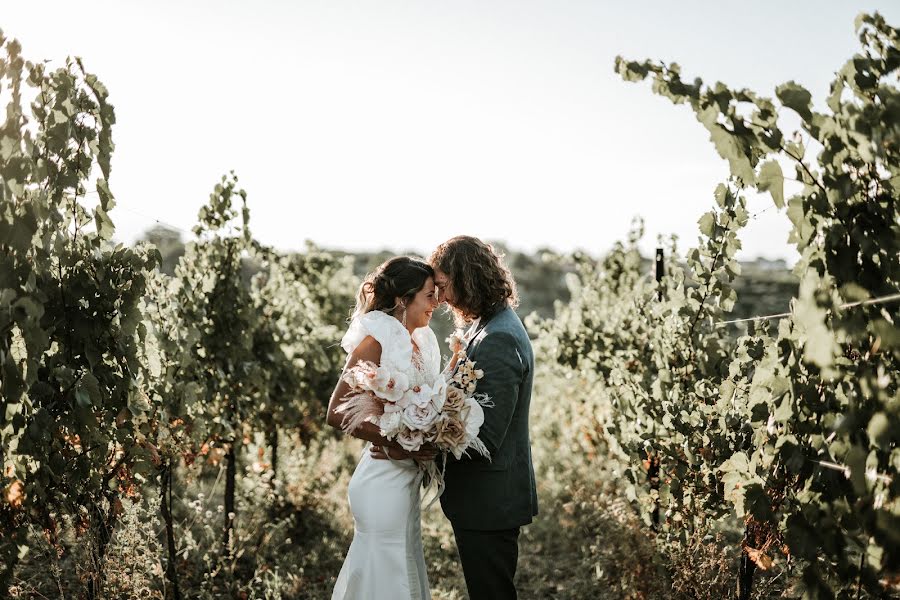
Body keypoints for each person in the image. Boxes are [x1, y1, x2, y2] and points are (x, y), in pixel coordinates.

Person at [373, 236, 538, 600]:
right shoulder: (488, 327)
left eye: (444, 286)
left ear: (467, 277)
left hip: (490, 501)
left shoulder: (497, 337)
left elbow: (484, 436)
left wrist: (417, 442)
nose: (442, 299)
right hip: (484, 499)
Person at [326, 256, 441, 600]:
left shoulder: (422, 342)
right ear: (403, 300)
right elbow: (336, 412)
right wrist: (403, 442)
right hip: (381, 480)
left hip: (407, 477)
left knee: (405, 561)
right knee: (386, 568)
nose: (436, 304)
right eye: (429, 296)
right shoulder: (375, 341)